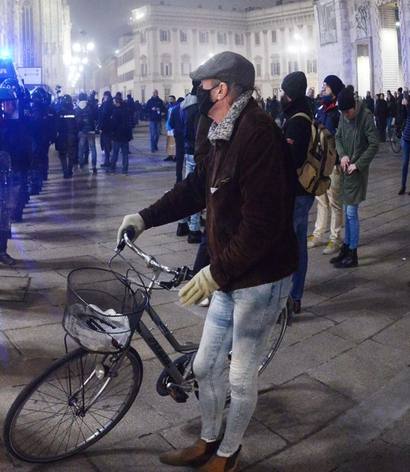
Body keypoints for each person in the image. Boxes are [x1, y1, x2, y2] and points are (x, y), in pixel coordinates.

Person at [119, 52, 297, 472]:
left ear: (222, 89)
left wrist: (214, 273)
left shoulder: (257, 134)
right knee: (205, 365)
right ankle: (207, 441)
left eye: (202, 85)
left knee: (240, 375)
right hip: (231, 274)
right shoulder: (220, 128)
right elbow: (197, 186)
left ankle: (228, 455)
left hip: (261, 278)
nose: (194, 92)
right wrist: (145, 218)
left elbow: (262, 225)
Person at [331, 86, 379, 270]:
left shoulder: (365, 117)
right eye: (343, 112)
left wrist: (358, 164)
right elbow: (338, 138)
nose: (346, 115)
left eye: (348, 112)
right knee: (347, 209)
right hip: (345, 169)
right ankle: (346, 248)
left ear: (355, 107)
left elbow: (373, 144)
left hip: (357, 171)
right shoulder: (344, 116)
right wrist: (342, 155)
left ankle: (353, 252)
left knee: (351, 213)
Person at [280, 72, 316, 314]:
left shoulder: (296, 121)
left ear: (290, 94)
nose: (281, 96)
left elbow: (290, 160)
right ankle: (295, 297)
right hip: (306, 190)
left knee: (288, 247)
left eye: (283, 91)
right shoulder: (307, 113)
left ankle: (287, 299)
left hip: (295, 193)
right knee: (299, 245)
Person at [0, 84, 31, 237]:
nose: (11, 106)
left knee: (11, 204)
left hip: (15, 168)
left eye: (12, 103)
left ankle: (2, 241)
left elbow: (26, 147)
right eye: (7, 103)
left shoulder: (17, 125)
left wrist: (24, 164)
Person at [310, 74, 345, 254]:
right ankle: (318, 234)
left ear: (334, 89)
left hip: (333, 162)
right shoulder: (320, 109)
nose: (323, 89)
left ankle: (335, 238)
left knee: (334, 201)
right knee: (321, 199)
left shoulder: (338, 112)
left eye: (327, 86)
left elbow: (341, 137)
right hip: (319, 162)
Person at [174, 86, 203, 243]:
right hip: (196, 151)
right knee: (197, 190)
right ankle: (194, 229)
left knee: (187, 188)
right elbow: (199, 132)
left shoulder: (182, 105)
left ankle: (182, 223)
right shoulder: (198, 108)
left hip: (186, 149)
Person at [107, 92, 134, 175]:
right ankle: (125, 170)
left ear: (117, 103)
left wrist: (110, 130)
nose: (113, 103)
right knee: (125, 154)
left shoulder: (116, 112)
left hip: (117, 135)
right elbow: (132, 122)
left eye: (114, 102)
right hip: (126, 135)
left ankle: (112, 169)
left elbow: (113, 124)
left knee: (115, 153)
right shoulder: (127, 111)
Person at [54, 94, 79, 179]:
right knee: (72, 153)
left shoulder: (59, 113)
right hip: (72, 135)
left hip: (62, 135)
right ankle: (70, 170)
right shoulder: (74, 112)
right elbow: (78, 124)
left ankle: (65, 171)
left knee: (62, 154)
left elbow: (56, 125)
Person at [76, 92, 98, 171]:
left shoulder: (77, 108)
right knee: (93, 149)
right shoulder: (90, 107)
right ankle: (94, 165)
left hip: (82, 131)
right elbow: (96, 116)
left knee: (81, 149)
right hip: (91, 130)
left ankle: (81, 166)